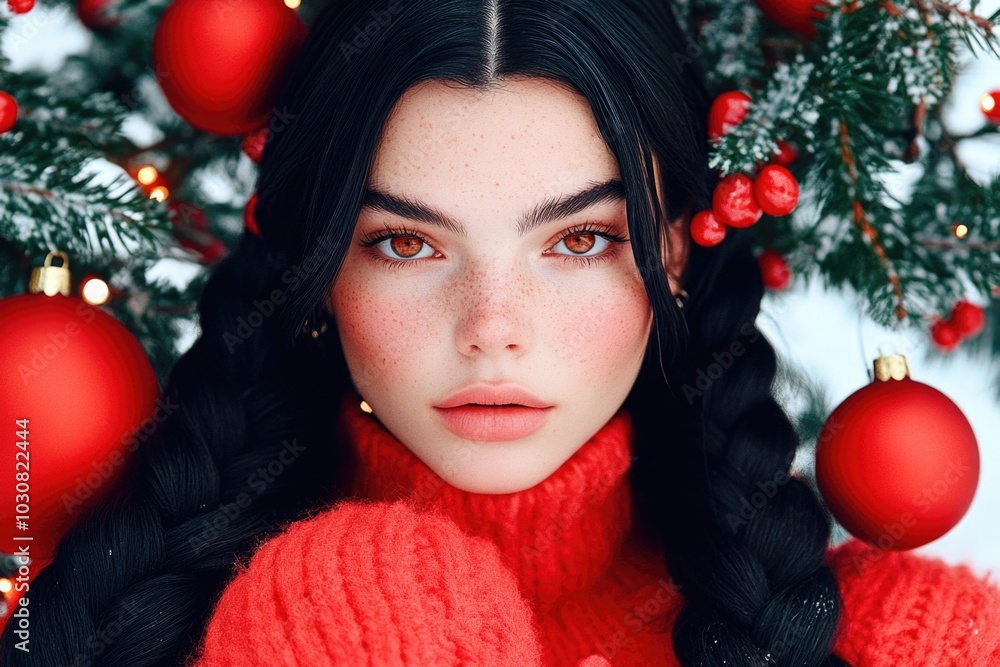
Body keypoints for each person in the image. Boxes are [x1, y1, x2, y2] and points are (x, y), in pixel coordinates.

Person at [4, 1, 1000, 665]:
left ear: (679, 253)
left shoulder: (876, 639)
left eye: (577, 239)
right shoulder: (133, 616)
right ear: (316, 271)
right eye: (405, 244)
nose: (492, 331)